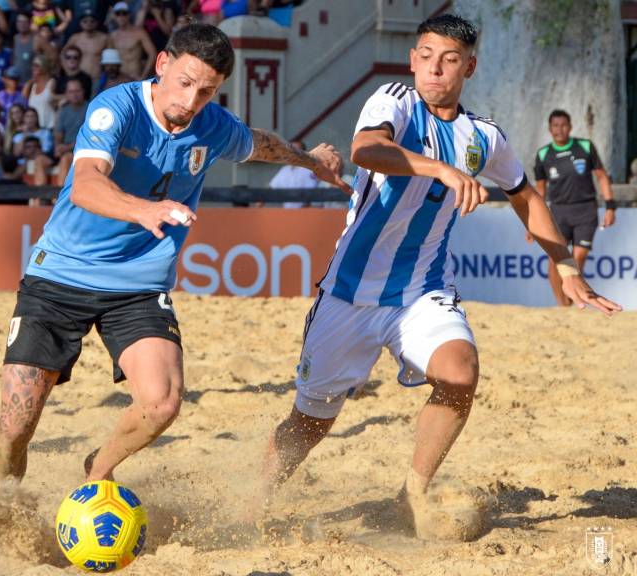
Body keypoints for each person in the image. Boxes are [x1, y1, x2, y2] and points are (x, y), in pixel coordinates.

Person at [259, 14, 621, 541]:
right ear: (412, 59)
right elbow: (365, 149)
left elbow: (525, 196)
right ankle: (256, 504)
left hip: (420, 290)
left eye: (449, 60)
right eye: (426, 56)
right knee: (311, 422)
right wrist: (439, 168)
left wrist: (563, 264)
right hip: (348, 294)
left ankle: (413, 493)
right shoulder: (395, 101)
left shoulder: (483, 137)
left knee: (459, 372)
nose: (435, 68)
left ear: (468, 67)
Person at [0, 23, 345, 487]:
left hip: (137, 285)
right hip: (61, 275)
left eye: (207, 91)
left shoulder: (212, 126)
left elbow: (261, 144)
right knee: (14, 427)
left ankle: (98, 468)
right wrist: (144, 210)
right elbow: (87, 186)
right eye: (186, 83)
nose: (192, 101)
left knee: (162, 403)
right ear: (162, 66)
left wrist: (311, 160)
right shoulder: (116, 108)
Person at [531, 109, 616, 307]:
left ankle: (574, 302)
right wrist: (532, 222)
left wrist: (610, 207)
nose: (559, 130)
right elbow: (540, 190)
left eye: (563, 125)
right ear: (550, 129)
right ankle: (563, 307)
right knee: (555, 261)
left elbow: (602, 177)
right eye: (555, 126)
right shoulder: (544, 154)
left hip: (585, 211)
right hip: (558, 213)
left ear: (570, 127)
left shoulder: (585, 147)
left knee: (576, 259)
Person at [52, 77, 87, 183]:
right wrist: (58, 146)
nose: (74, 94)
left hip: (83, 150)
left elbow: (89, 137)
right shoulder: (64, 110)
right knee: (39, 161)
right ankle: (39, 198)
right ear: (66, 94)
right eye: (71, 92)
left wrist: (67, 147)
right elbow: (58, 133)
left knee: (66, 159)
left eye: (77, 91)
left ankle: (58, 198)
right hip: (65, 149)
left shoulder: (91, 109)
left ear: (83, 92)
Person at [108, 2, 155, 80]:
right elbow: (110, 61)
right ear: (114, 16)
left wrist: (144, 75)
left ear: (129, 15)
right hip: (120, 78)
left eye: (124, 13)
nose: (121, 17)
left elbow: (152, 54)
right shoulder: (113, 36)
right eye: (118, 14)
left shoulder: (139, 33)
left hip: (136, 76)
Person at [268, 140, 319, 208]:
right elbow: (271, 188)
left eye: (296, 150)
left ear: (303, 153)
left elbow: (311, 193)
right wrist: (259, 202)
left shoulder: (309, 170)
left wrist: (302, 212)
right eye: (291, 149)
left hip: (305, 213)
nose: (293, 152)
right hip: (287, 213)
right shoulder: (285, 170)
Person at [63, 11, 107, 82]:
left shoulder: (104, 38)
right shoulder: (75, 38)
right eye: (85, 21)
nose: (88, 24)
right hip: (78, 79)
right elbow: (63, 54)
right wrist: (67, 70)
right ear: (80, 23)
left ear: (97, 23)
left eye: (92, 21)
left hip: (96, 78)